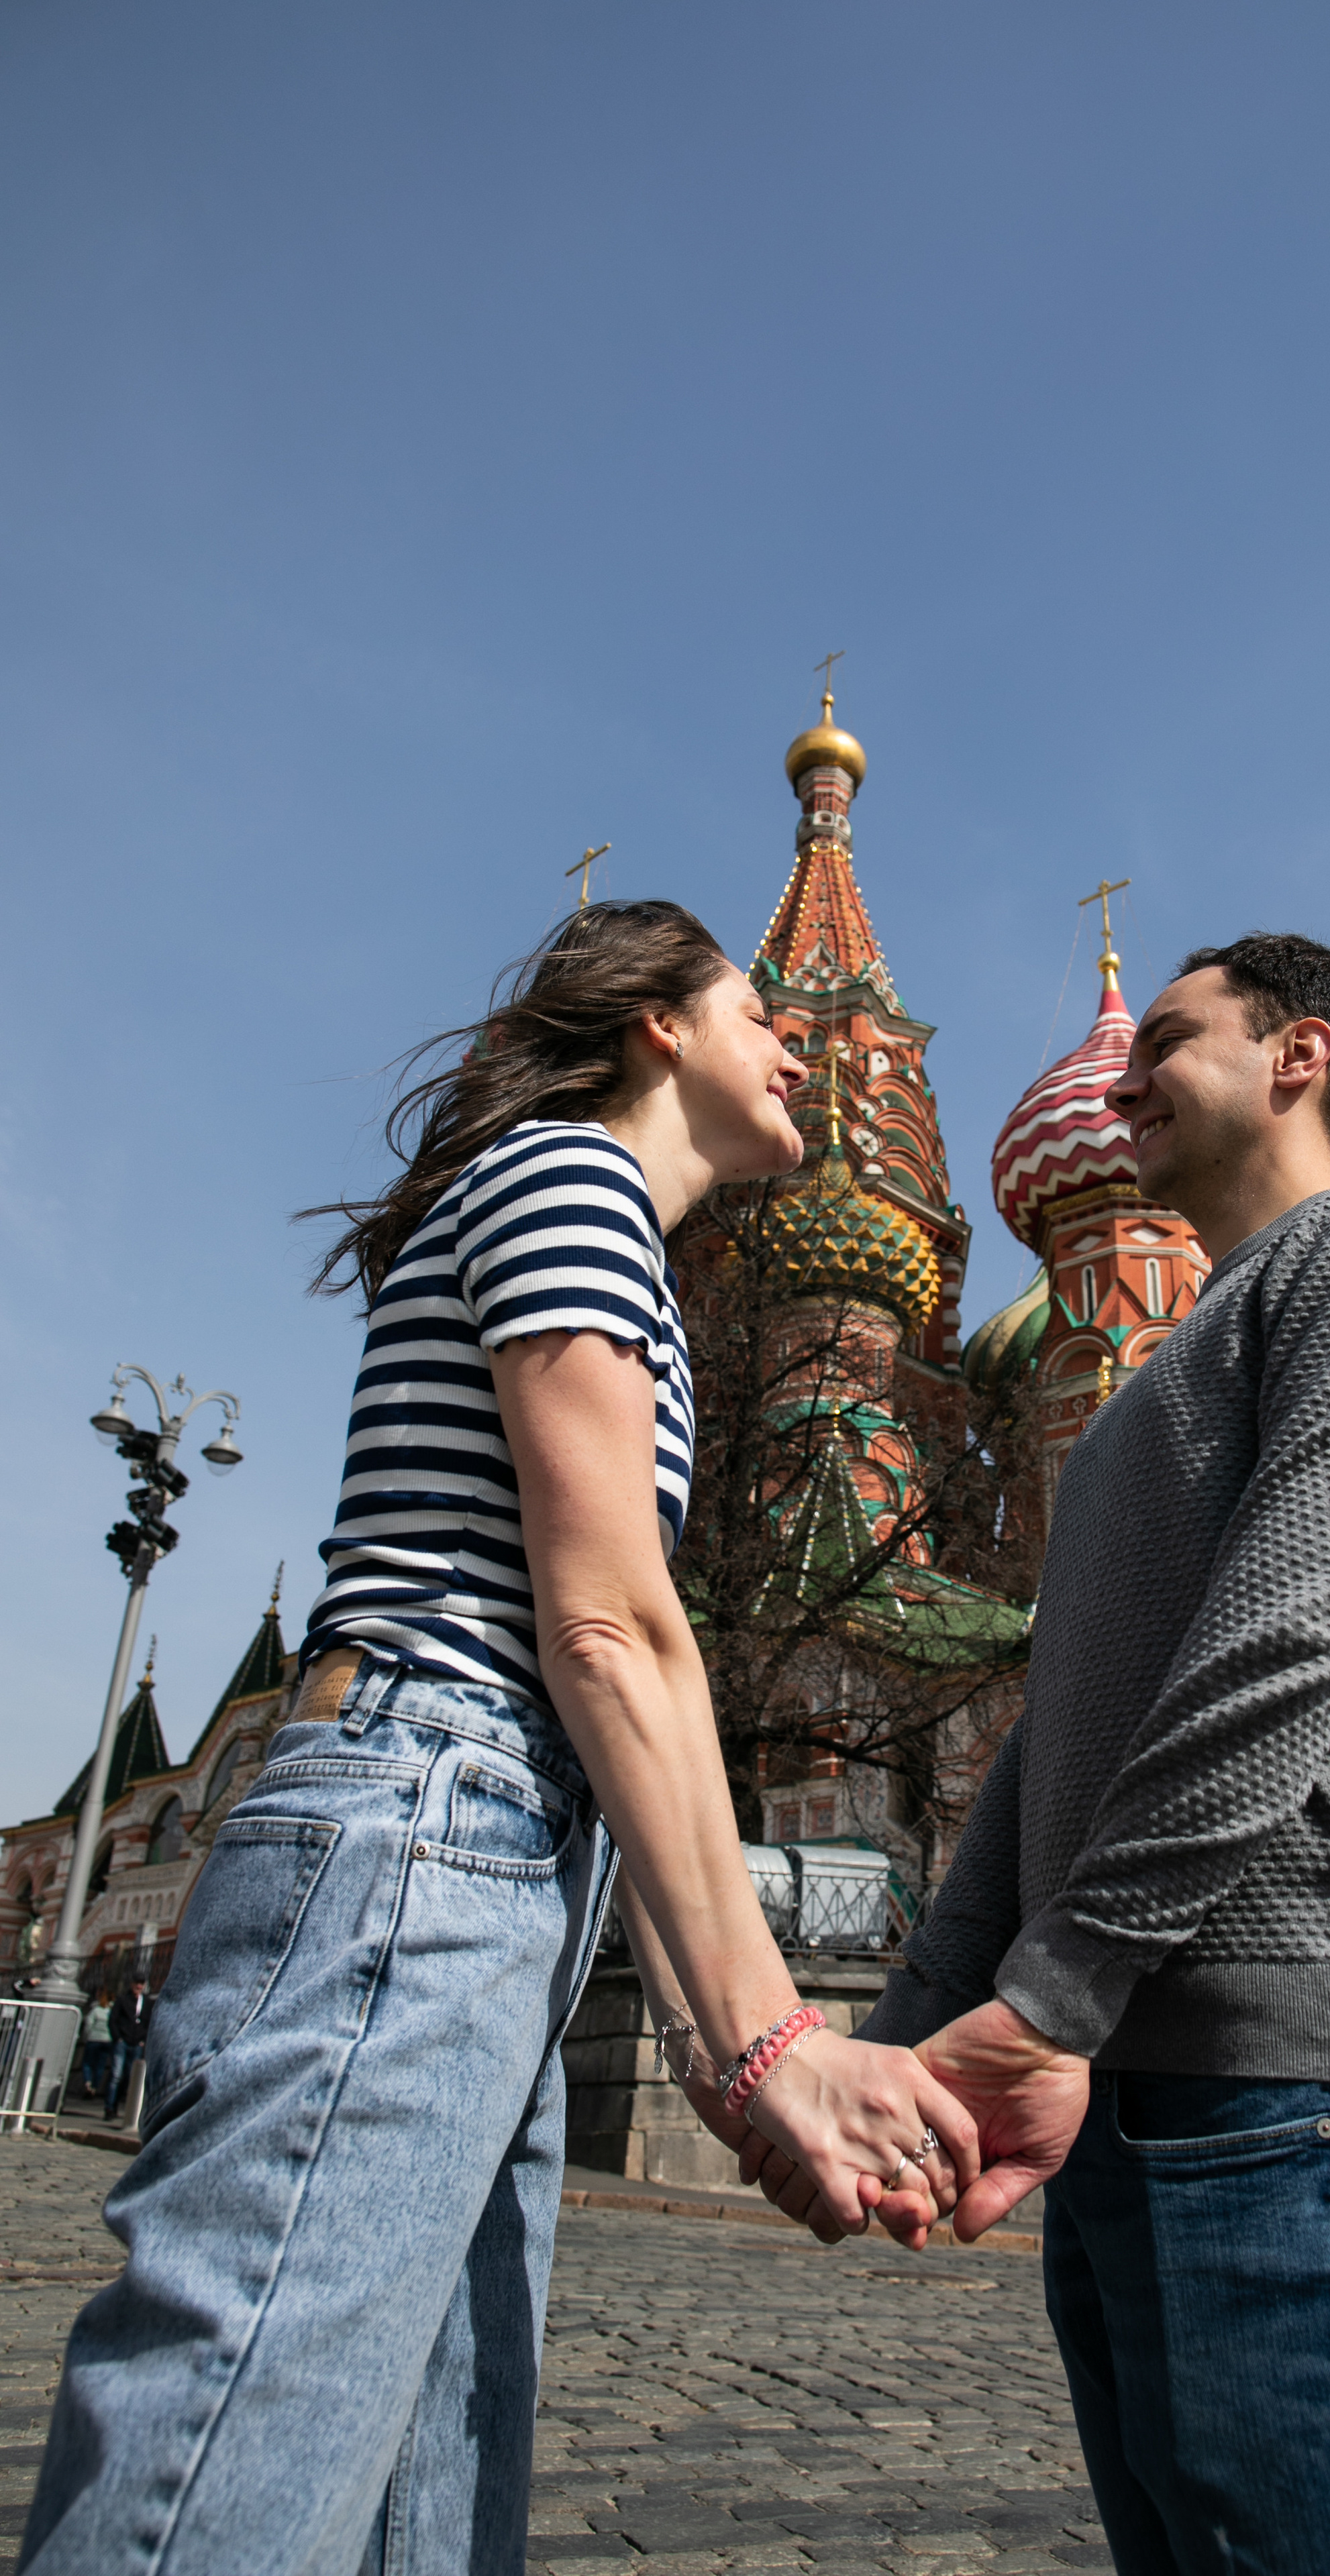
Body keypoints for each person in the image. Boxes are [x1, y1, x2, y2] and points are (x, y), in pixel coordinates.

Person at [23, 900, 980, 2576]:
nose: (797, 1050)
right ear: (658, 1028)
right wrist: (774, 2042)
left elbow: (601, 1705)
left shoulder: (606, 1239)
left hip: (486, 1844)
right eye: (760, 1012)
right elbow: (609, 1629)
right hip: (420, 1821)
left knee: (429, 2470)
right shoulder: (570, 1179)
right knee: (244, 2440)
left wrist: (716, 2057)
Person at [748, 932, 1330, 2576]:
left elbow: (1293, 1645)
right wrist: (902, 2044)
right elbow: (1050, 1748)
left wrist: (1046, 1999)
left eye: (1166, 1039)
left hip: (1300, 2091)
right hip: (1113, 2107)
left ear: (1295, 1054)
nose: (1122, 1075)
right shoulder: (1126, 1402)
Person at [103, 1974, 151, 2121]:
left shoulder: (147, 2002)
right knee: (116, 2075)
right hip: (122, 2042)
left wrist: (143, 2040)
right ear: (132, 1984)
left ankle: (121, 2105)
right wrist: (118, 2038)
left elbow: (149, 2022)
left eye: (141, 1984)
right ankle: (110, 2107)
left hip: (137, 2044)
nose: (139, 1987)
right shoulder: (123, 2000)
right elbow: (113, 2020)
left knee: (130, 2077)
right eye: (137, 1983)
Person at [78, 1994, 111, 2104]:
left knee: (87, 2063)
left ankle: (88, 2083)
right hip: (107, 2041)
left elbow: (88, 2024)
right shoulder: (112, 2011)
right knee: (100, 2066)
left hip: (93, 2039)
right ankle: (95, 2087)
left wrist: (86, 2037)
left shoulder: (96, 2010)